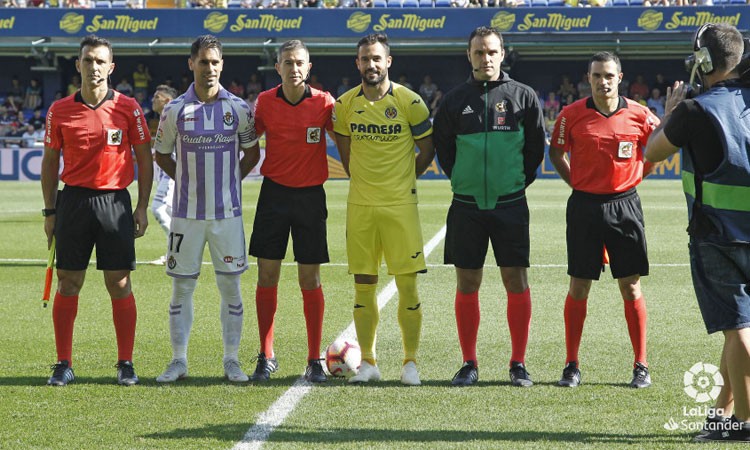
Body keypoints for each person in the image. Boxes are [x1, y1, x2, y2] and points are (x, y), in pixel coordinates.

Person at [646, 23, 750, 442]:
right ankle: (722, 411)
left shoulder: (694, 110)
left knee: (737, 327)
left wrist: (671, 113)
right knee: (741, 327)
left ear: (704, 61)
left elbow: (652, 152)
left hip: (717, 234)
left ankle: (743, 422)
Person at [433, 26, 545, 387]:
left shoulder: (524, 96)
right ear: (470, 56)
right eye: (479, 53)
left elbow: (534, 155)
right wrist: (464, 181)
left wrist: (511, 184)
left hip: (510, 204)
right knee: (467, 282)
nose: (486, 59)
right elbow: (445, 154)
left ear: (502, 54)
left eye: (492, 52)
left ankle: (518, 363)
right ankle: (469, 362)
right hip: (466, 206)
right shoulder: (452, 101)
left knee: (516, 280)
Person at [40, 34, 153, 386]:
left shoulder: (129, 107)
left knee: (119, 282)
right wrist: (49, 212)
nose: (94, 67)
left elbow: (145, 159)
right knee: (68, 282)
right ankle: (63, 362)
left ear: (111, 67)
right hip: (72, 201)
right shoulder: (59, 109)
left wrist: (142, 206)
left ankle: (126, 362)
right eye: (88, 60)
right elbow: (49, 162)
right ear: (78, 65)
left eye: (100, 61)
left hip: (114, 202)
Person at [548, 51, 659, 389]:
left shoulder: (640, 115)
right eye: (596, 76)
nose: (602, 81)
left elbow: (656, 149)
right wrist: (575, 183)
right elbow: (556, 152)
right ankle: (571, 364)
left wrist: (638, 175)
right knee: (579, 285)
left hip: (624, 206)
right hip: (584, 207)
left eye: (608, 75)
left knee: (630, 285)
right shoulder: (571, 115)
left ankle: (641, 364)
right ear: (589, 78)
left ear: (619, 77)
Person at [153, 35, 258, 384]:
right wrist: (185, 180)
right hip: (185, 216)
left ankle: (231, 360)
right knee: (181, 289)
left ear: (222, 65)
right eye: (203, 62)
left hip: (227, 216)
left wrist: (230, 181)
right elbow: (162, 155)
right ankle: (178, 360)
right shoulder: (174, 111)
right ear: (191, 64)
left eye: (215, 62)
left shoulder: (239, 109)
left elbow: (252, 154)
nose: (209, 68)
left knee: (231, 288)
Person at [332, 33, 435, 386]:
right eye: (365, 59)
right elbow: (345, 153)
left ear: (388, 61)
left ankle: (410, 363)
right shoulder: (344, 105)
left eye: (377, 58)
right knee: (363, 286)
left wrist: (405, 178)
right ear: (357, 63)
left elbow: (427, 150)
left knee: (407, 288)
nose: (371, 65)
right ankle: (369, 363)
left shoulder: (411, 102)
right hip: (360, 207)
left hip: (400, 207)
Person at [245, 40, 335, 383]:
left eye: (299, 63)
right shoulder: (265, 103)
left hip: (311, 197)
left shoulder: (324, 103)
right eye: (287, 62)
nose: (294, 68)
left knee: (309, 278)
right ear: (278, 67)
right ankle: (266, 354)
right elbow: (248, 141)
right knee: (267, 275)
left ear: (308, 67)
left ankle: (315, 359)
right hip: (274, 197)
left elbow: (346, 139)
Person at [148, 84, 179, 266]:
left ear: (167, 100)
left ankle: (177, 252)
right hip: (168, 173)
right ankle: (173, 253)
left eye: (157, 97)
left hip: (172, 173)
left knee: (158, 209)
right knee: (171, 212)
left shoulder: (172, 118)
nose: (153, 100)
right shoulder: (165, 118)